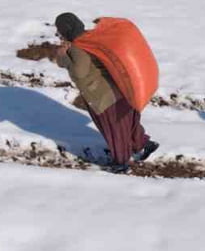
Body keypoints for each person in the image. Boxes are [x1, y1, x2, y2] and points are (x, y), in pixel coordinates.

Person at [54, 12, 159, 173]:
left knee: (115, 130)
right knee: (128, 123)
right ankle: (144, 144)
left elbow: (80, 72)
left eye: (59, 30)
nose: (58, 33)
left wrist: (63, 57)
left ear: (65, 30)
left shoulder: (78, 47)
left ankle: (121, 163)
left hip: (104, 96)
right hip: (121, 90)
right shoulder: (90, 38)